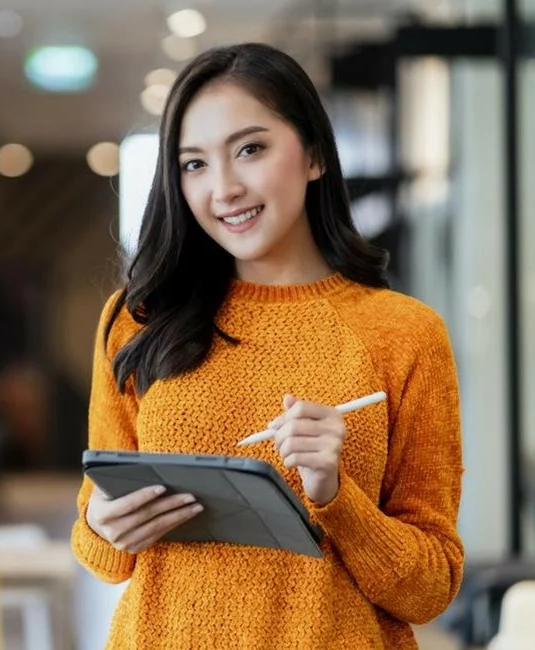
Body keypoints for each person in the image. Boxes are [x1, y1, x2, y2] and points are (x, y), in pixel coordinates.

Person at [71, 42, 464, 649]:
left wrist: (337, 497)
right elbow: (102, 554)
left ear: (313, 154)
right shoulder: (138, 320)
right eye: (193, 164)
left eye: (250, 150)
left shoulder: (403, 332)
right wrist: (101, 525)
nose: (223, 188)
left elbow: (430, 588)